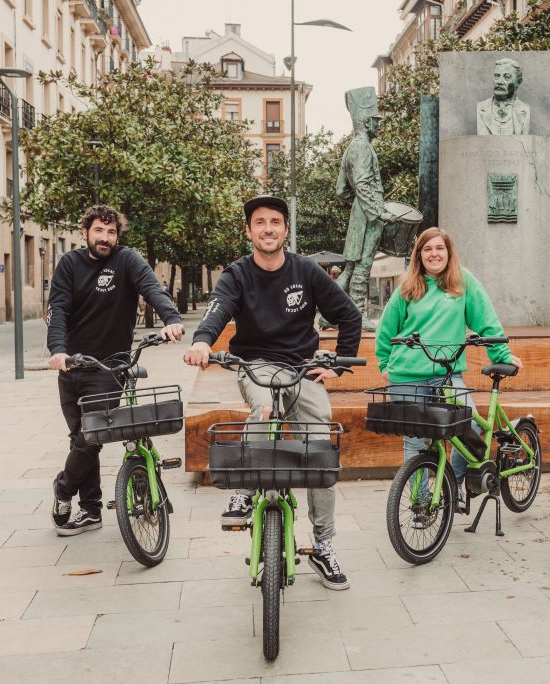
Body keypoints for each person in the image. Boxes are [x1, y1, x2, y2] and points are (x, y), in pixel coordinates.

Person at [184, 195, 362, 590]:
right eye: (260, 222)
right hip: (256, 365)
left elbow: (349, 315)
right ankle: (245, 491)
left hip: (302, 367)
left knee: (321, 451)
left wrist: (339, 362)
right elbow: (218, 309)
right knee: (262, 408)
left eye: (275, 222)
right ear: (249, 231)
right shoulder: (236, 274)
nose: (268, 228)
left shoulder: (307, 271)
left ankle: (324, 547)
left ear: (285, 230)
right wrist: (201, 341)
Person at [48, 205, 184, 536]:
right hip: (73, 365)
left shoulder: (127, 260)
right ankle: (91, 510)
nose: (105, 238)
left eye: (111, 232)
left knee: (90, 436)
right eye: (99, 231)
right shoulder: (69, 264)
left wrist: (172, 319)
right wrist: (58, 350)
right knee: (81, 438)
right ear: (86, 233)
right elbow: (58, 309)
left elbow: (152, 289)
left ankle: (63, 489)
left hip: (109, 367)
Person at [375, 228, 522, 506]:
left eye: (439, 248)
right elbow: (386, 329)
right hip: (406, 377)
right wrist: (384, 363)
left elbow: (487, 321)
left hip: (447, 375)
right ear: (419, 255)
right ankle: (420, 503)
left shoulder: (463, 282)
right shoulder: (408, 287)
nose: (434, 254)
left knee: (472, 431)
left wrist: (502, 353)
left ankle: (451, 486)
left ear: (448, 252)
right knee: (416, 442)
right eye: (427, 249)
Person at [330, 87, 397, 330]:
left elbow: (341, 190)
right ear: (367, 121)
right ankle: (358, 316)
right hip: (369, 217)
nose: (379, 126)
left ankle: (328, 314)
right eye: (376, 121)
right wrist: (377, 211)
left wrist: (358, 205)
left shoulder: (352, 147)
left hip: (361, 213)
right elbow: (360, 184)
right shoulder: (362, 147)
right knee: (362, 267)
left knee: (349, 268)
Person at [477, 58, 531, 135]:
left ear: (518, 82)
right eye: (497, 76)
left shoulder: (525, 110)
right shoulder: (481, 107)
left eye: (507, 77)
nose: (499, 82)